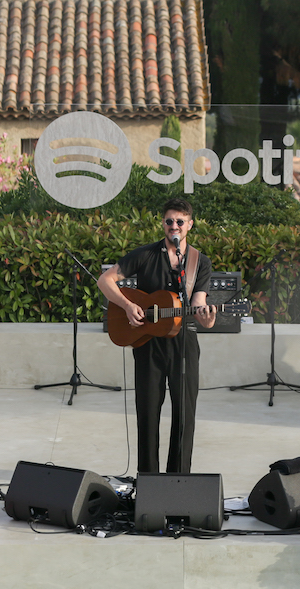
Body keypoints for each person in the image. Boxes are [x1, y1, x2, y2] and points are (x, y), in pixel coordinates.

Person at [98, 198, 217, 474]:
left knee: (184, 415)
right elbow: (105, 280)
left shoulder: (200, 262)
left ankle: (178, 481)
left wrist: (206, 318)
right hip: (147, 341)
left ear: (190, 224)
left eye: (179, 221)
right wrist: (128, 305)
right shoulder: (145, 255)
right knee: (148, 414)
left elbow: (198, 302)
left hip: (183, 343)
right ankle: (148, 480)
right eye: (169, 221)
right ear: (162, 223)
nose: (173, 226)